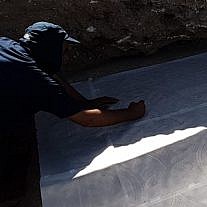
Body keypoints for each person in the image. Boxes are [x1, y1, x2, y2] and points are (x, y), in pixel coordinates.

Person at [0, 22, 146, 197]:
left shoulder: (7, 45)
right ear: (50, 47)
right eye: (62, 48)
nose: (65, 53)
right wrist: (131, 113)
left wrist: (85, 102)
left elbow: (52, 74)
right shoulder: (32, 78)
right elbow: (87, 119)